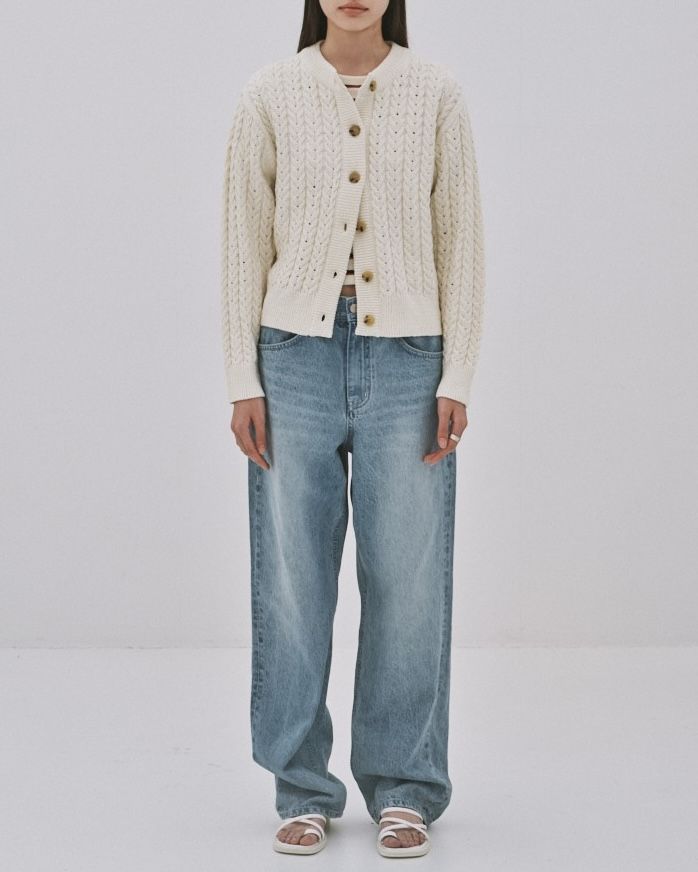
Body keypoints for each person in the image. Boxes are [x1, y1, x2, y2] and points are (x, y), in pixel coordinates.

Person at [220, 0, 485, 858]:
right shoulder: (270, 93)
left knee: (408, 581)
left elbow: (461, 239)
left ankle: (404, 786)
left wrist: (456, 374)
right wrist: (241, 378)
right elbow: (242, 243)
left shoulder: (436, 92)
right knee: (293, 582)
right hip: (291, 359)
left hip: (409, 361)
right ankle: (301, 787)